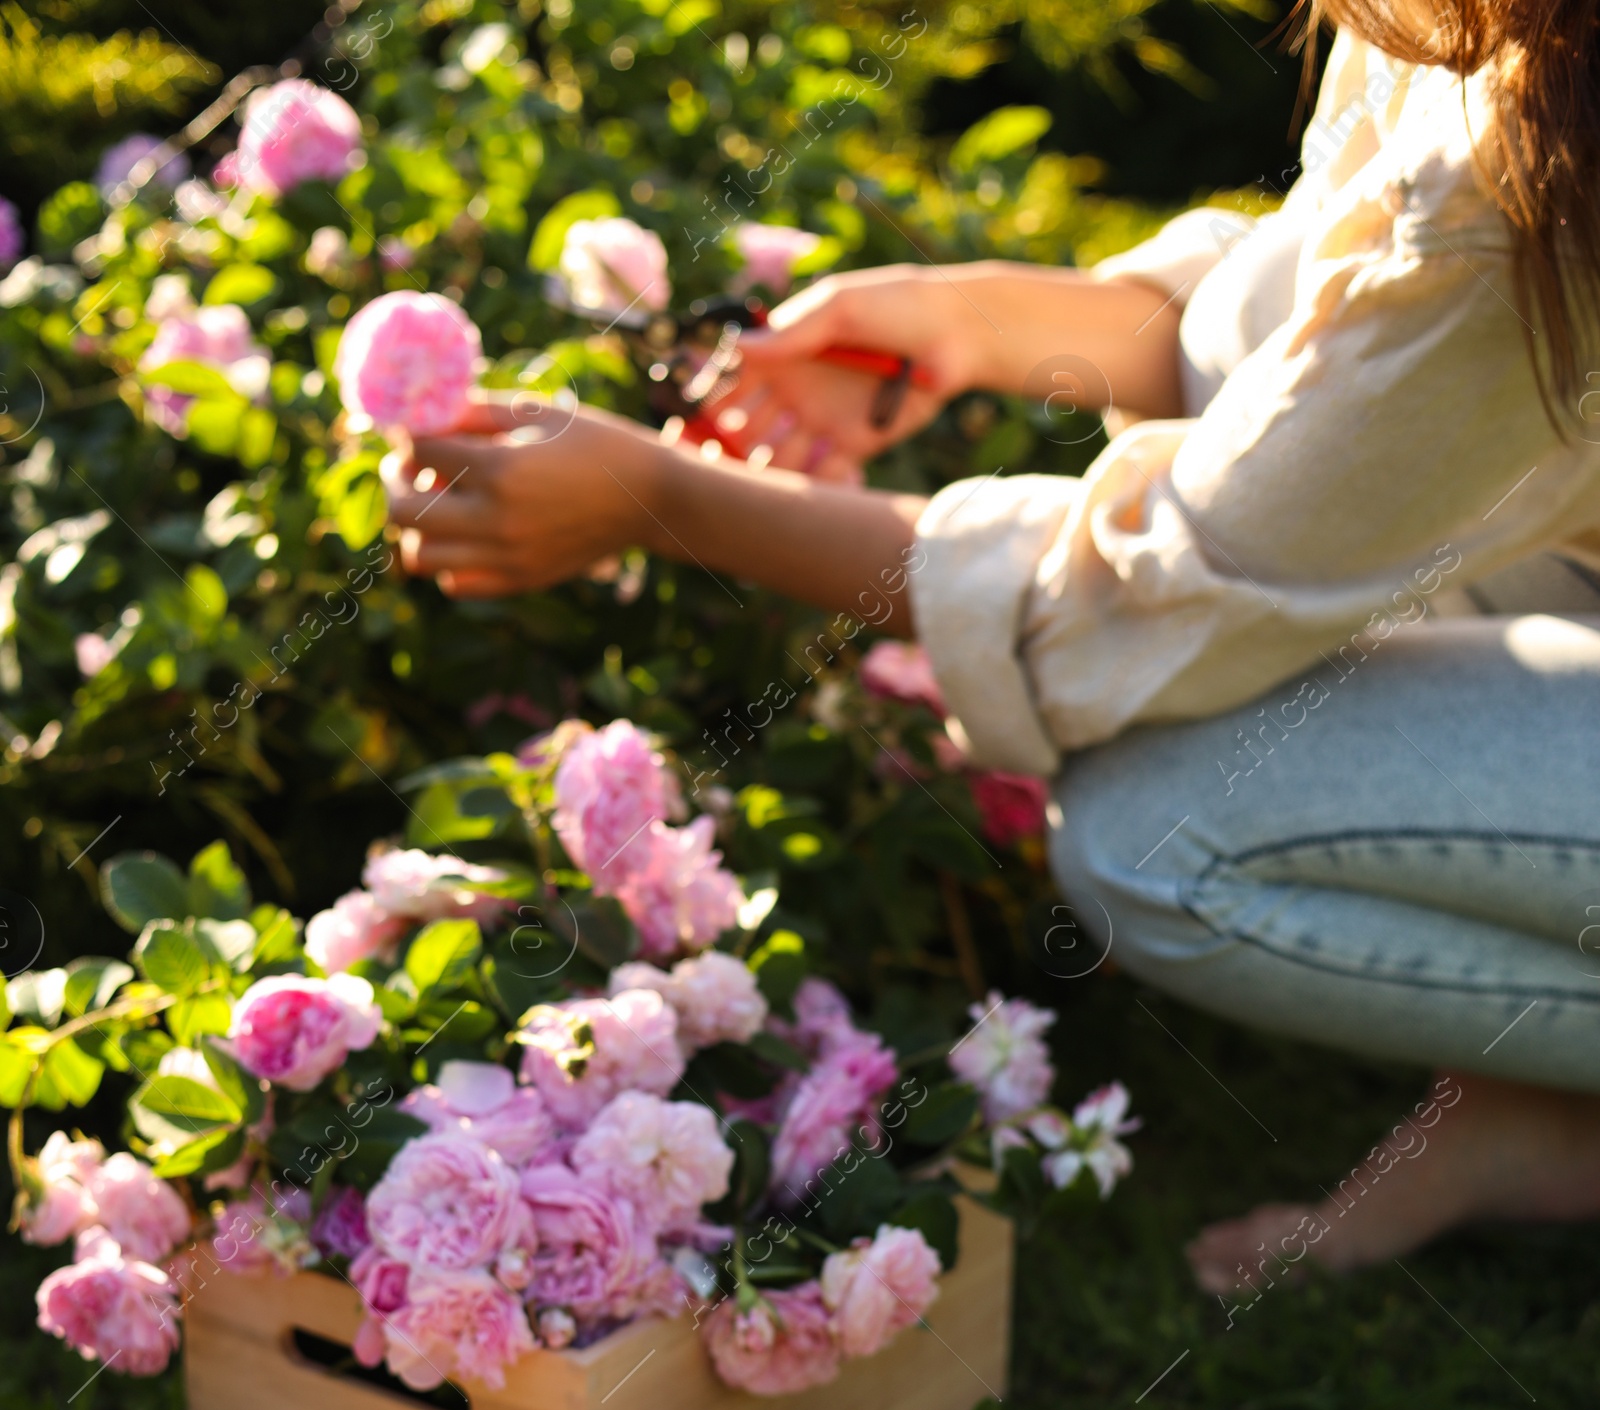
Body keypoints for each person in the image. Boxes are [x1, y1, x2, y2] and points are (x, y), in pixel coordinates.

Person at [383, 0, 1600, 1296]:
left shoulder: (1525, 141)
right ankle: (1553, 1106)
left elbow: (1147, 601)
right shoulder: (1500, 30)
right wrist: (964, 321)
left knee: (1166, 835)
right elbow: (1330, 347)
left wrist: (667, 499)